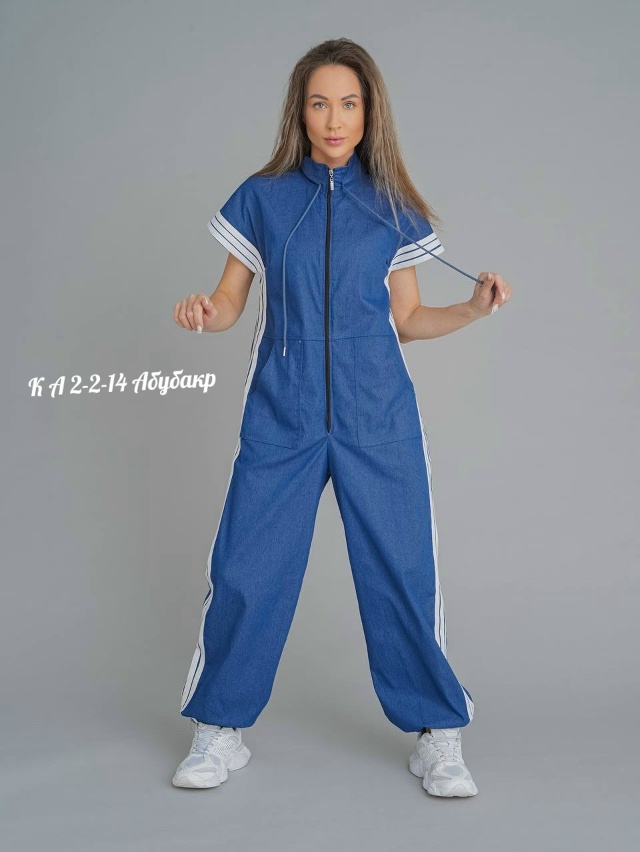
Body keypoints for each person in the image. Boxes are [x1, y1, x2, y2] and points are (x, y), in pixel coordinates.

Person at [171, 38, 512, 798]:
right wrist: (204, 314)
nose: (334, 119)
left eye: (349, 104)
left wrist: (471, 308)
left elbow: (409, 321)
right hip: (282, 414)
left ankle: (438, 736)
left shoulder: (391, 206)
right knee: (247, 569)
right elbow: (228, 303)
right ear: (300, 111)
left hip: (377, 415)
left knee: (402, 572)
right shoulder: (262, 197)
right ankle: (219, 729)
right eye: (320, 103)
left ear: (368, 113)